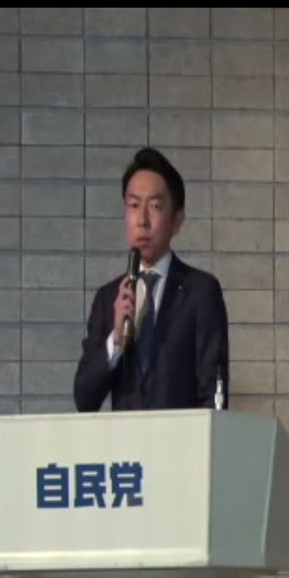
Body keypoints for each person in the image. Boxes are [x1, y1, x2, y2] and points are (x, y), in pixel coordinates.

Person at [74, 147, 229, 412]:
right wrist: (116, 341)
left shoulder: (201, 292)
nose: (142, 220)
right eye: (134, 205)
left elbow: (214, 394)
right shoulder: (108, 298)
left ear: (176, 220)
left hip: (183, 438)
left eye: (155, 206)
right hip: (126, 439)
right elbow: (84, 399)